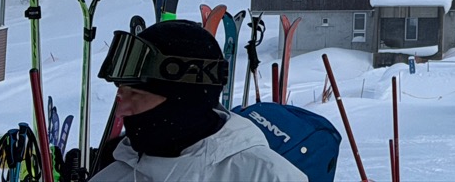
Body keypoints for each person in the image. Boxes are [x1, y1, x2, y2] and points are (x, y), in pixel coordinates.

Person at [91, 18, 305, 181]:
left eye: (137, 95)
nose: (121, 113)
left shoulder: (266, 175)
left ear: (184, 103)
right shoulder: (115, 175)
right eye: (121, 94)